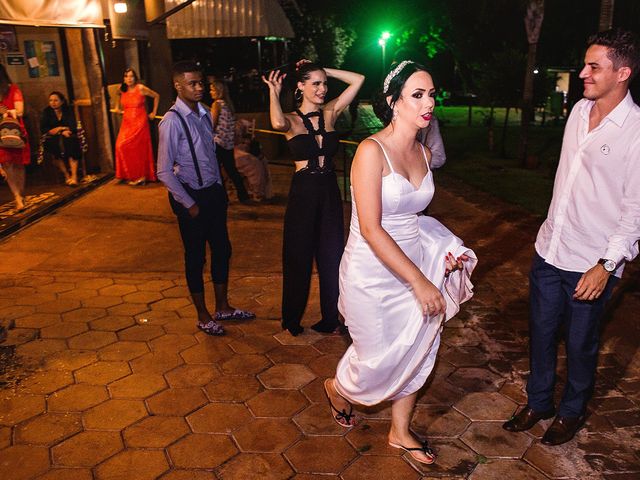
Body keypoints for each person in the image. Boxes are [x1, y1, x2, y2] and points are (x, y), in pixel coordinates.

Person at [323, 61, 477, 465]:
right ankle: (338, 389)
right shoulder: (370, 152)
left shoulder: (425, 153)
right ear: (393, 103)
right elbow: (372, 229)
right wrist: (419, 283)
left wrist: (442, 251)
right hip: (372, 273)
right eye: (418, 95)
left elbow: (415, 219)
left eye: (431, 93)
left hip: (415, 263)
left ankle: (400, 431)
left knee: (418, 347)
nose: (429, 103)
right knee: (375, 358)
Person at [502, 29, 640, 446]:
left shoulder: (635, 132)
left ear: (623, 73)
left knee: (581, 344)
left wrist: (606, 266)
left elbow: (634, 213)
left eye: (594, 67)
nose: (582, 73)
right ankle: (538, 401)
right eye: (585, 63)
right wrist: (548, 234)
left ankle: (571, 411)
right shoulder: (580, 111)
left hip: (591, 264)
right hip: (550, 251)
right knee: (541, 334)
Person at [262, 61, 364, 336]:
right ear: (300, 86)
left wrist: (324, 69)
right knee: (298, 255)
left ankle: (331, 317)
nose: (322, 89)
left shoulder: (330, 112)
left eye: (324, 83)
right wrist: (273, 91)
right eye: (316, 83)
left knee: (332, 255)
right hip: (303, 192)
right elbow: (276, 122)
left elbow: (358, 79)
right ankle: (292, 319)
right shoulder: (291, 120)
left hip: (329, 190)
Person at [157, 61, 255, 337]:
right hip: (190, 196)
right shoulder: (171, 122)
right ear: (178, 86)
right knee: (195, 257)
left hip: (213, 193)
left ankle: (222, 306)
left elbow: (210, 156)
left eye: (200, 82)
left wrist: (220, 190)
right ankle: (203, 314)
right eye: (193, 83)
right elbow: (163, 171)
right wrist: (189, 203)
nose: (199, 88)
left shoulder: (202, 113)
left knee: (223, 249)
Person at [209, 78, 250, 204]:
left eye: (212, 89)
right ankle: (243, 195)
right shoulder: (228, 105)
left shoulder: (216, 104)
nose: (210, 92)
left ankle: (223, 198)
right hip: (228, 143)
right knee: (232, 170)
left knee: (216, 172)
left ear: (218, 91)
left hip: (218, 142)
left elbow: (212, 124)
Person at [115, 68, 159, 186]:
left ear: (135, 78)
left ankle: (141, 176)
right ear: (124, 78)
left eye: (131, 76)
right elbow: (118, 98)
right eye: (126, 76)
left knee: (138, 148)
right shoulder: (122, 88)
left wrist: (153, 112)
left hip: (140, 121)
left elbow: (156, 96)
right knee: (120, 145)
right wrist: (117, 107)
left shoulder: (140, 88)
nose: (129, 79)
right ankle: (129, 174)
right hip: (127, 122)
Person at [0, 64, 30, 211]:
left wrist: (6, 112)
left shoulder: (13, 90)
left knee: (18, 164)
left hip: (15, 131)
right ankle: (17, 197)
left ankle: (21, 193)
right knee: (7, 164)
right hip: (1, 134)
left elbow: (20, 111)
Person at [40, 91, 82, 186]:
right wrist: (61, 129)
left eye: (56, 100)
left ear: (62, 101)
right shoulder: (46, 112)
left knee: (72, 143)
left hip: (68, 134)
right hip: (52, 137)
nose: (53, 103)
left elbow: (73, 125)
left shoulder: (68, 110)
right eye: (50, 100)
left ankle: (74, 176)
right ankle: (66, 175)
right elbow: (44, 128)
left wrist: (62, 130)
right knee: (54, 147)